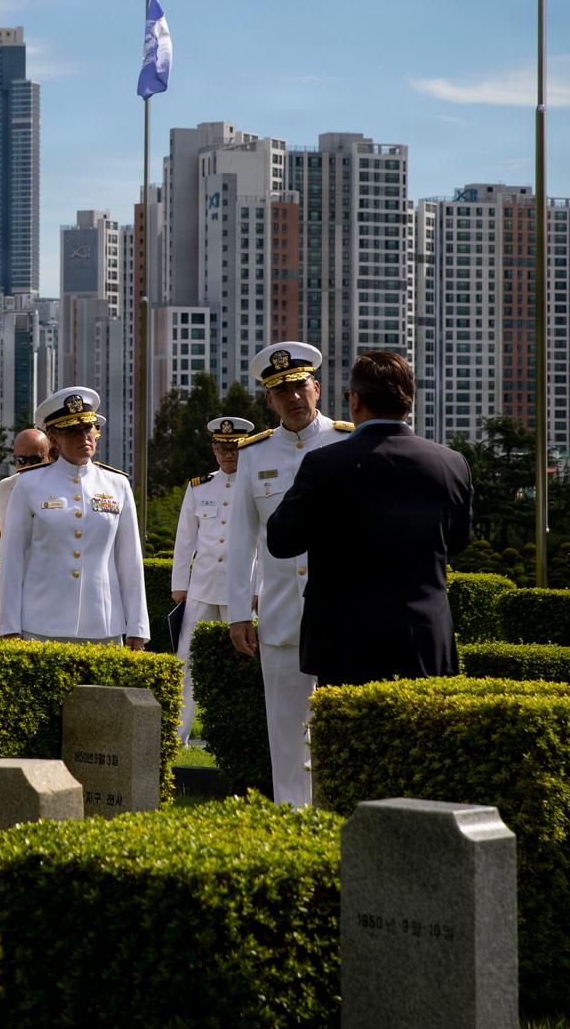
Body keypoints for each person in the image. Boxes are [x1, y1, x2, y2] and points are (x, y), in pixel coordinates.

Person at [267, 350, 473, 687]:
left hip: (345, 642)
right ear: (408, 401)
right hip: (424, 638)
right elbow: (458, 541)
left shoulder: (324, 465)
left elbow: (281, 540)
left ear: (356, 401)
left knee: (347, 739)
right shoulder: (452, 464)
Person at [226, 342, 352, 807]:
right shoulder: (254, 455)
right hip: (282, 618)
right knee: (284, 734)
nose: (295, 397)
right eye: (283, 391)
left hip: (342, 614)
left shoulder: (347, 441)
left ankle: (337, 818)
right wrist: (239, 612)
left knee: (339, 732)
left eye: (301, 386)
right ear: (269, 401)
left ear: (317, 388)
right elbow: (242, 538)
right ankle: (292, 823)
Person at [0, 387, 149, 647]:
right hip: (41, 624)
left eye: (88, 429)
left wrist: (137, 627)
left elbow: (130, 561)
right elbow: (12, 559)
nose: (84, 436)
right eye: (72, 431)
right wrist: (10, 627)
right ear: (54, 440)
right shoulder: (30, 484)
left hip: (103, 624)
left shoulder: (117, 484)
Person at [171, 415, 254, 745]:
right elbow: (185, 539)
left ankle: (242, 739)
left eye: (234, 448)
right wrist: (180, 585)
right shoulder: (199, 486)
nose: (228, 455)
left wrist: (259, 589)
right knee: (186, 663)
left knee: (245, 663)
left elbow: (264, 541)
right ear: (213, 449)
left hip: (242, 591)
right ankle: (176, 736)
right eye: (222, 448)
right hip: (202, 588)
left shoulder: (255, 485)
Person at [0, 427, 52, 637]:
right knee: (3, 656)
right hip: (7, 589)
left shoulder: (61, 489)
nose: (27, 466)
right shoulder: (6, 486)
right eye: (21, 460)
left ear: (51, 456)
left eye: (35, 460)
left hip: (47, 590)